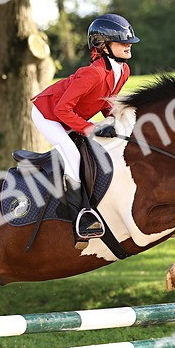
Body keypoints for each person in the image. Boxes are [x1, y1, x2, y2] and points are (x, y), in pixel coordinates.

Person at [30, 13, 138, 241]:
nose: (129, 45)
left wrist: (114, 123)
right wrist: (91, 128)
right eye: (122, 41)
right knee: (72, 154)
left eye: (129, 40)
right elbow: (61, 110)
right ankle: (82, 214)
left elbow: (106, 103)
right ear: (104, 45)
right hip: (48, 114)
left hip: (71, 115)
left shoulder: (123, 71)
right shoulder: (93, 73)